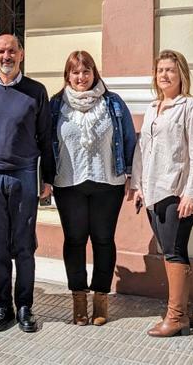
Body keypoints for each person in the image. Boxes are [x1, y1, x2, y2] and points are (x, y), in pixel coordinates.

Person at [0, 34, 55, 333]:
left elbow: (46, 138)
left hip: (24, 176)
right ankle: (2, 306)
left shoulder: (36, 91)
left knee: (23, 245)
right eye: (1, 52)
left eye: (12, 51)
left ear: (21, 54)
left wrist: (48, 179)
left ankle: (24, 306)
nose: (7, 56)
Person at [50, 50, 137, 326]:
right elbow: (44, 142)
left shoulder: (112, 103)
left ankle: (100, 298)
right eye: (75, 72)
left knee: (102, 239)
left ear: (94, 73)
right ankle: (78, 299)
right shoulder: (56, 105)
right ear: (68, 76)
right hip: (68, 184)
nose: (81, 77)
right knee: (74, 241)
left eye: (86, 71)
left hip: (107, 183)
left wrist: (131, 176)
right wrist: (44, 178)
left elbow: (128, 139)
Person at [130, 49, 193, 337]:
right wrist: (137, 186)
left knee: (174, 252)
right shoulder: (153, 107)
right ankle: (186, 311)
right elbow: (142, 149)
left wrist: (191, 193)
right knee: (169, 252)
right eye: (160, 70)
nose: (164, 75)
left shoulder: (191, 106)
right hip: (152, 190)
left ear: (181, 74)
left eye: (170, 70)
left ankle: (175, 318)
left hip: (176, 190)